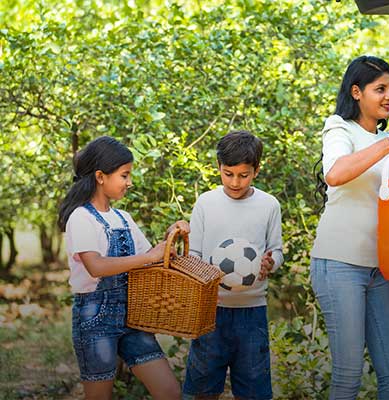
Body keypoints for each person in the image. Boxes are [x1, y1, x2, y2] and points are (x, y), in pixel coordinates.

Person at [310, 55, 389, 400]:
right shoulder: (339, 128)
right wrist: (388, 145)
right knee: (349, 375)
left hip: (379, 268)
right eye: (380, 89)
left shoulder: (384, 141)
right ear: (357, 92)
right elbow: (336, 174)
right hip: (340, 264)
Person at [57, 135, 187, 399]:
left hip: (132, 316)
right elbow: (96, 266)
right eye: (124, 175)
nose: (129, 182)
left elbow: (151, 257)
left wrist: (171, 236)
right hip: (94, 318)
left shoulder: (123, 218)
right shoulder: (80, 218)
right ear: (100, 176)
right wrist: (150, 257)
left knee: (170, 391)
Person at [182, 130, 284, 400]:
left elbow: (277, 250)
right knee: (203, 388)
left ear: (256, 170)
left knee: (253, 390)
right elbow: (193, 253)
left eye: (243, 175)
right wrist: (203, 273)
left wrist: (270, 263)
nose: (235, 182)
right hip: (210, 311)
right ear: (218, 167)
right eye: (228, 174)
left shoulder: (269, 205)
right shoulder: (206, 203)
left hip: (252, 313)